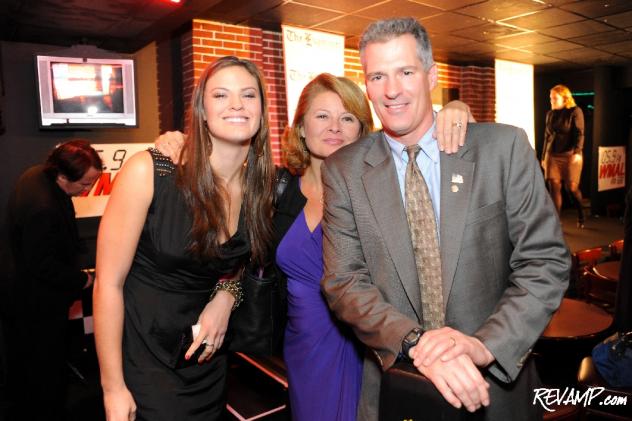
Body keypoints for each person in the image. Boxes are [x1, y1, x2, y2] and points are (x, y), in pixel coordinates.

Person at [155, 79, 472, 420]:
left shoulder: (384, 189)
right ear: (302, 128)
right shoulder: (273, 189)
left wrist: (455, 111)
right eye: (322, 116)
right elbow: (235, 243)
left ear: (362, 130)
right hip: (302, 350)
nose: (335, 127)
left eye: (348, 118)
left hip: (370, 348)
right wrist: (173, 141)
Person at [320, 17, 570, 421]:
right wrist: (417, 344)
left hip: (493, 388)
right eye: (377, 76)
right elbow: (345, 282)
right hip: (398, 386)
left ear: (431, 75)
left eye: (405, 72)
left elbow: (545, 263)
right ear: (365, 85)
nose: (391, 90)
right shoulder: (344, 171)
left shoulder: (502, 149)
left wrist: (483, 346)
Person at [93, 56, 275, 421]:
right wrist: (112, 388)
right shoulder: (151, 171)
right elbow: (107, 285)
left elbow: (240, 264)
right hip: (144, 362)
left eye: (248, 95)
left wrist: (226, 295)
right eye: (221, 95)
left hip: (206, 360)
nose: (237, 105)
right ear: (202, 111)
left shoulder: (262, 188)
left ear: (261, 111)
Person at [4, 139, 102, 421]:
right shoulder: (43, 208)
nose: (89, 190)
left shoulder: (35, 174)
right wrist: (82, 281)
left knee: (29, 365)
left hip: (21, 293)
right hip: (33, 302)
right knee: (44, 368)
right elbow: (43, 265)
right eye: (85, 184)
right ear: (62, 176)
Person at [542, 84, 586, 227]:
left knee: (571, 188)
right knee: (554, 186)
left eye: (555, 98)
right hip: (552, 155)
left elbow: (580, 133)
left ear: (565, 98)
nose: (552, 101)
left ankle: (581, 214)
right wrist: (543, 157)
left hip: (571, 154)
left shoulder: (575, 111)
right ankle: (556, 222)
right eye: (550, 98)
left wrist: (578, 152)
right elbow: (546, 137)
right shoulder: (550, 114)